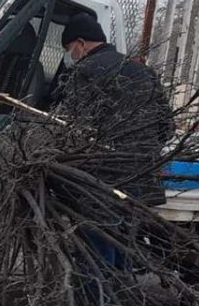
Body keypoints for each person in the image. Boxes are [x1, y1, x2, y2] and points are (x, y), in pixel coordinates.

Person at [51, 12, 175, 206]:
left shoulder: (84, 72)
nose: (70, 56)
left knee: (96, 233)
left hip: (104, 182)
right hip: (144, 180)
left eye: (69, 49)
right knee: (128, 235)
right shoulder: (143, 71)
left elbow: (72, 128)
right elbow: (167, 127)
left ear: (81, 43)